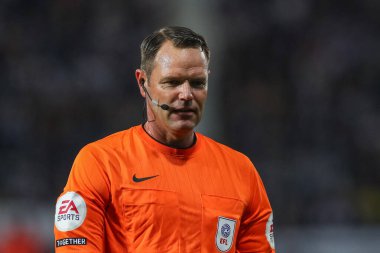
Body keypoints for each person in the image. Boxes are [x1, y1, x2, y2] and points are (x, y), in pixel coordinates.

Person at [54, 26, 275, 253]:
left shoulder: (241, 172)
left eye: (198, 83)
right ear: (143, 83)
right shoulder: (101, 163)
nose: (187, 95)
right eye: (172, 82)